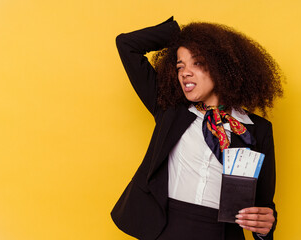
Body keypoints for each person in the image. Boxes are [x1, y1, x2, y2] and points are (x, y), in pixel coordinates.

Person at [111, 17, 283, 240]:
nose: (185, 72)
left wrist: (265, 227)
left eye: (197, 62)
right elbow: (127, 45)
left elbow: (262, 206)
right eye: (180, 65)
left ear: (223, 66)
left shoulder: (256, 130)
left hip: (222, 234)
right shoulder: (170, 111)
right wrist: (180, 35)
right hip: (165, 231)